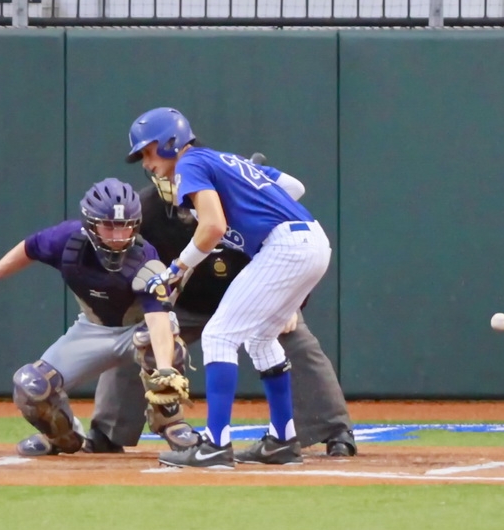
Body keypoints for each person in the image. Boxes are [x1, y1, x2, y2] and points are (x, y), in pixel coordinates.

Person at [85, 155, 356, 458]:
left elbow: (286, 260)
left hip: (249, 295)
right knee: (137, 337)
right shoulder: (147, 212)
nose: (181, 188)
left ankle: (334, 429)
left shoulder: (241, 204)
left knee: (294, 339)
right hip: (181, 306)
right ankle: (107, 430)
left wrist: (291, 305)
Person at [126, 107, 333, 469]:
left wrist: (177, 268)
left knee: (219, 336)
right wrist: (252, 197)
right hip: (313, 241)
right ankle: (282, 441)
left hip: (285, 246)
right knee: (260, 340)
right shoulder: (227, 161)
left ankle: (215, 445)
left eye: (149, 151)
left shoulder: (190, 164)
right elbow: (294, 188)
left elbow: (213, 228)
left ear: (172, 142)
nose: (146, 162)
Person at [0, 178, 199, 457]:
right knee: (30, 386)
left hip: (138, 328)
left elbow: (158, 319)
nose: (117, 235)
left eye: (125, 226)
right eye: (109, 226)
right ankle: (63, 437)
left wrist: (165, 369)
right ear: (90, 224)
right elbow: (30, 247)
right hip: (93, 329)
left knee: (159, 347)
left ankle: (170, 423)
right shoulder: (67, 239)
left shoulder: (145, 259)